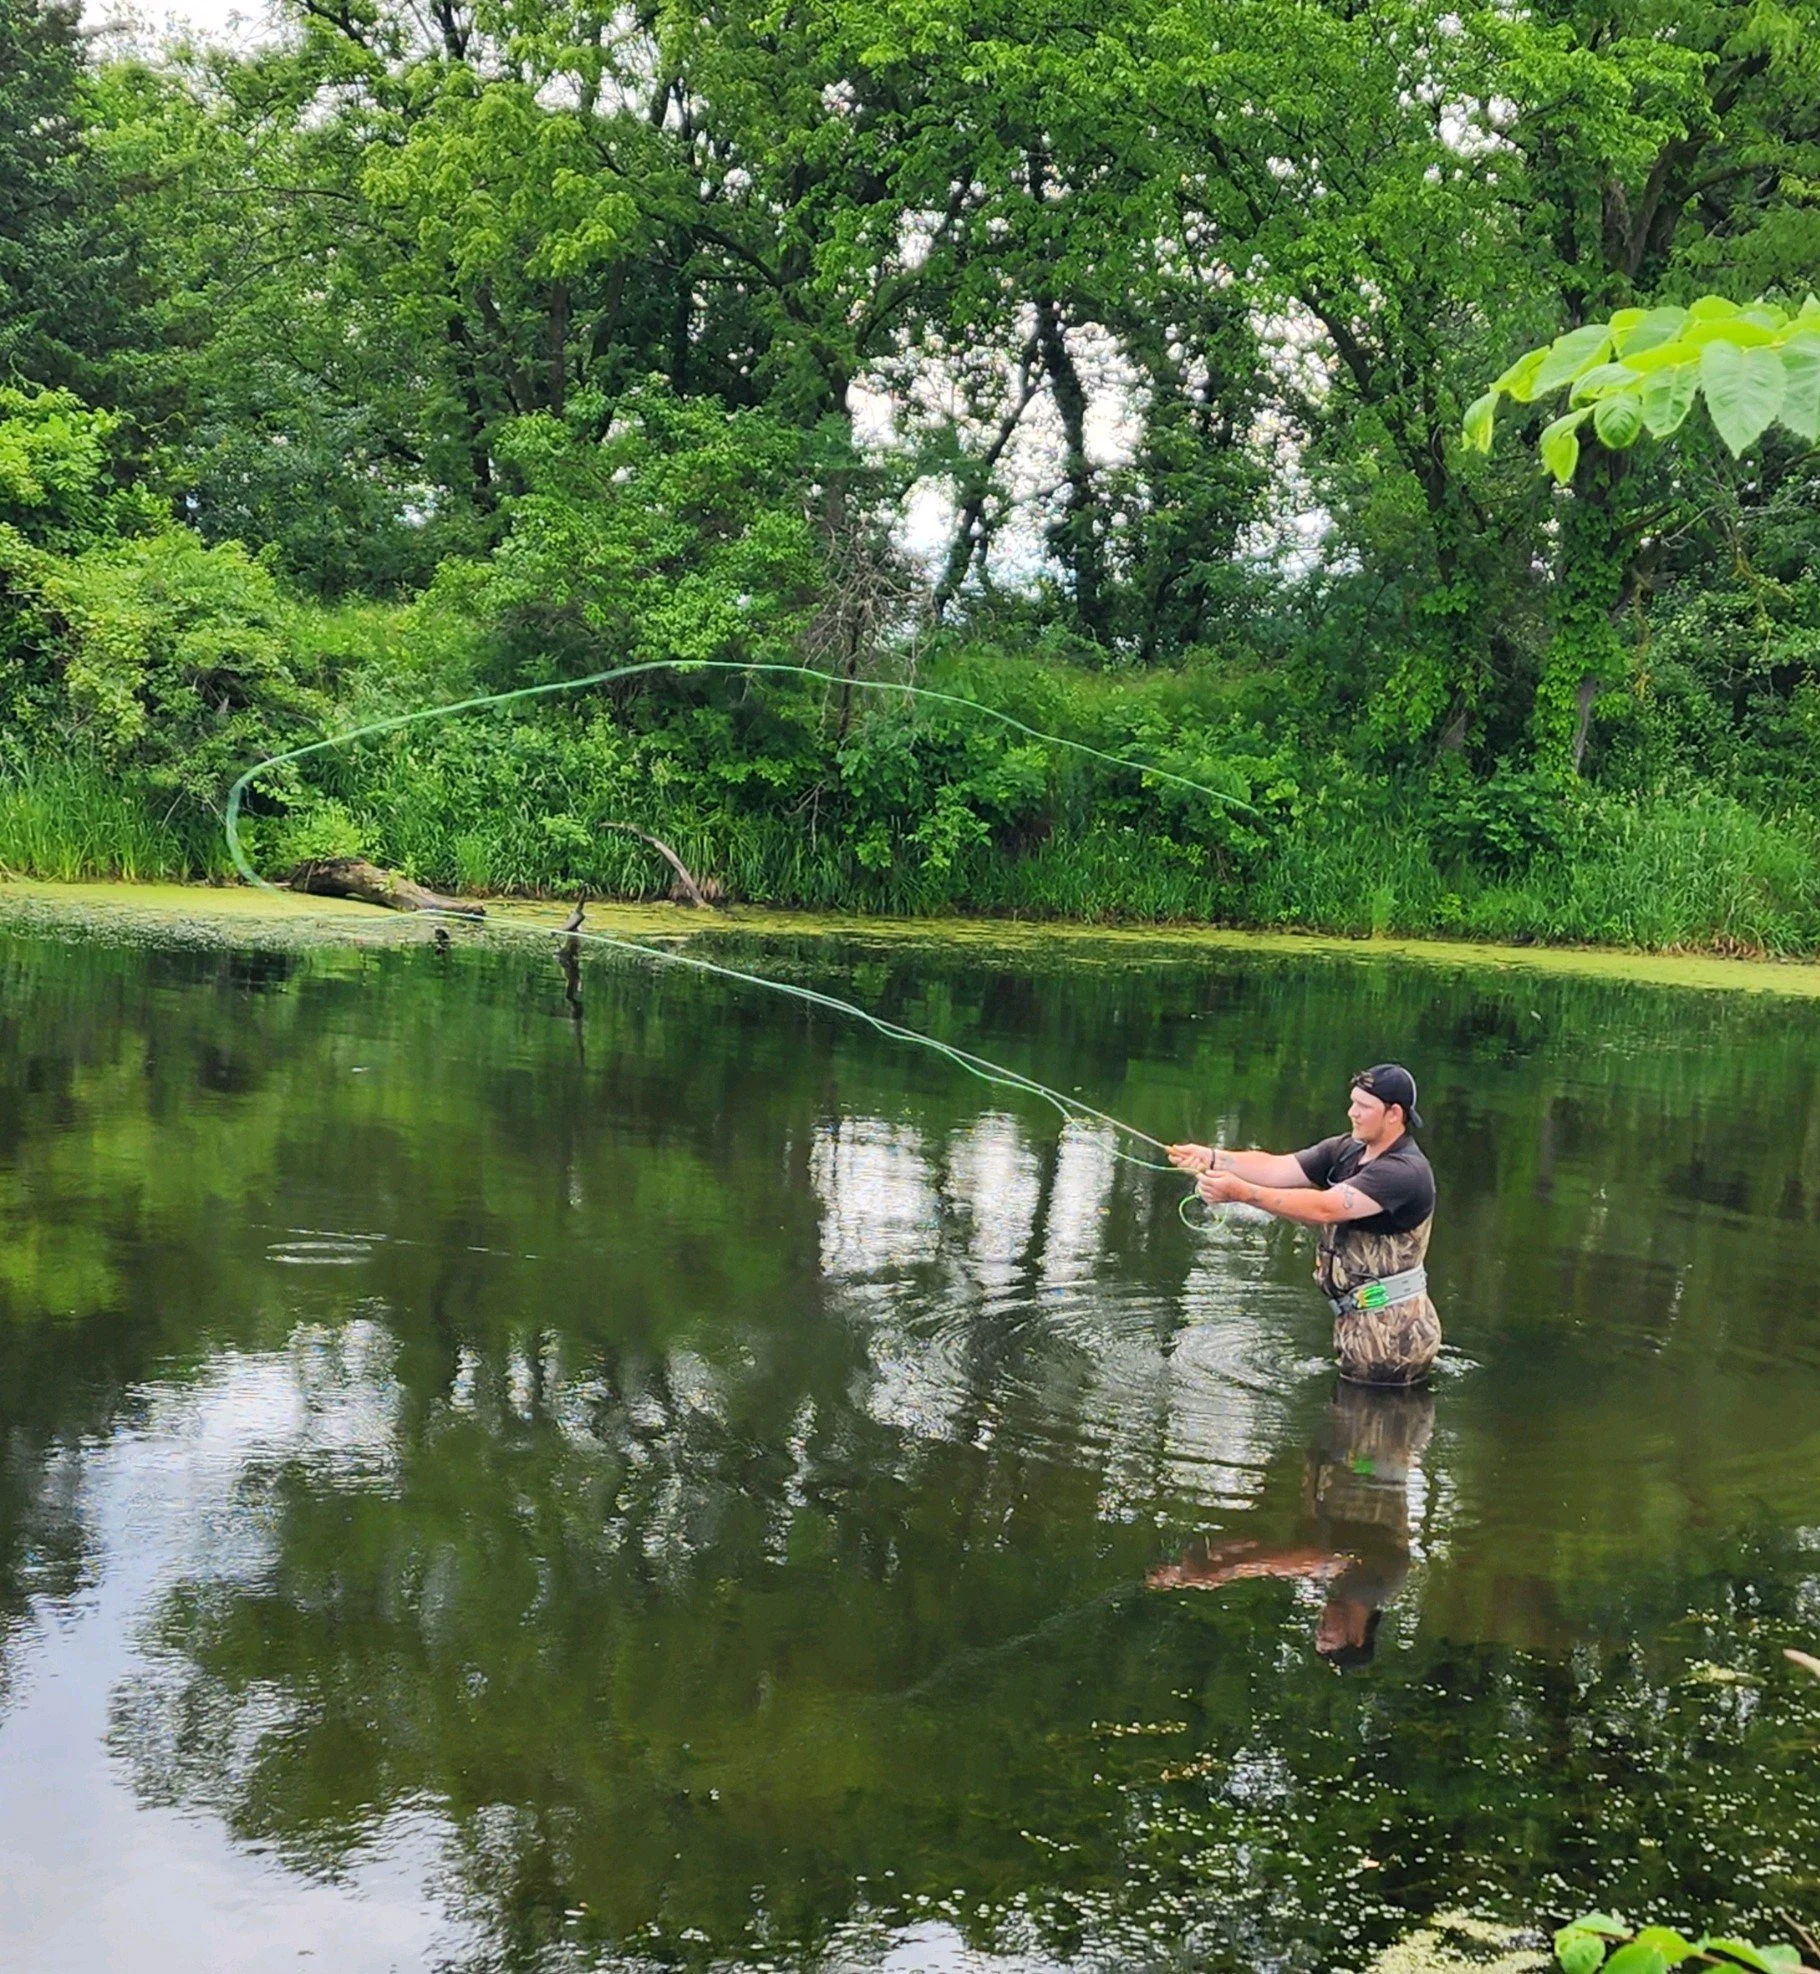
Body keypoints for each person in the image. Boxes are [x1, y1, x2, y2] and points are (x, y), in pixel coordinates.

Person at [1168, 1064, 1440, 1385]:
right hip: (1361, 1328)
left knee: (1367, 1430)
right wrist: (1212, 1157)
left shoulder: (1403, 1171)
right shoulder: (1346, 1150)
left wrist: (1241, 1193)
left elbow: (1325, 1208)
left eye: (1364, 1107)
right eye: (1352, 1102)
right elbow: (1276, 1168)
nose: (1352, 1112)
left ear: (1394, 1114)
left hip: (1394, 1339)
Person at [1148, 1381, 1434, 1669]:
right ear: (1358, 1637)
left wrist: (1199, 1566)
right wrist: (1229, 1569)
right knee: (1379, 1375)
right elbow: (1314, 1559)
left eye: (1318, 1636)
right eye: (1329, 1638)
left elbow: (1281, 1551)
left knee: (1353, 1379)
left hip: (1352, 1442)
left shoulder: (1336, 1586)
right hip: (1378, 1440)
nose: (1319, 1630)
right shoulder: (1371, 1587)